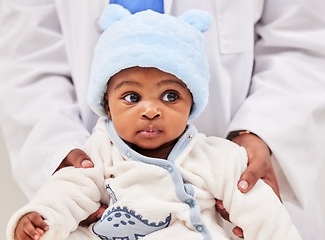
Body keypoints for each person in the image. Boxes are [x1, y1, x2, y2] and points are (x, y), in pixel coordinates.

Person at [0, 0, 324, 239]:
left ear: (193, 103)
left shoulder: (219, 159)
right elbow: (65, 195)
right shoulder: (95, 157)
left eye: (171, 96)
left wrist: (262, 132)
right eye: (131, 97)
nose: (151, 110)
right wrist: (39, 219)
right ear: (106, 105)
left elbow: (262, 213)